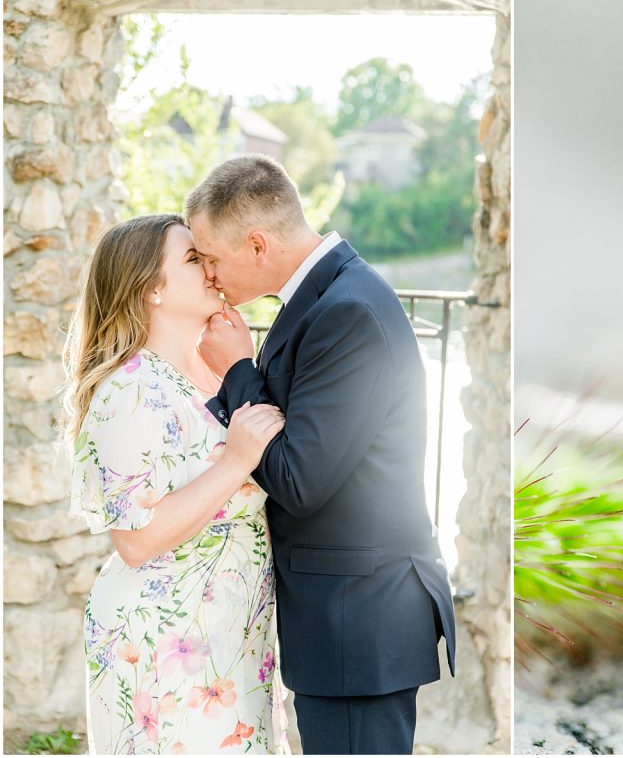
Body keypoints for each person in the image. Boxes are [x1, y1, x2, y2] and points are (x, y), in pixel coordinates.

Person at [185, 154, 456, 755]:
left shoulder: (347, 312)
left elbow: (301, 478)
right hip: (344, 615)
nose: (207, 274)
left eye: (210, 256)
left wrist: (235, 370)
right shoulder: (326, 296)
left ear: (257, 244)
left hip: (358, 618)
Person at [63, 214, 287, 754]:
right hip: (162, 642)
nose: (211, 268)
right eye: (193, 258)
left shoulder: (213, 373)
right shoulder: (130, 390)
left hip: (232, 638)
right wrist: (234, 463)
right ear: (151, 289)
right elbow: (135, 541)